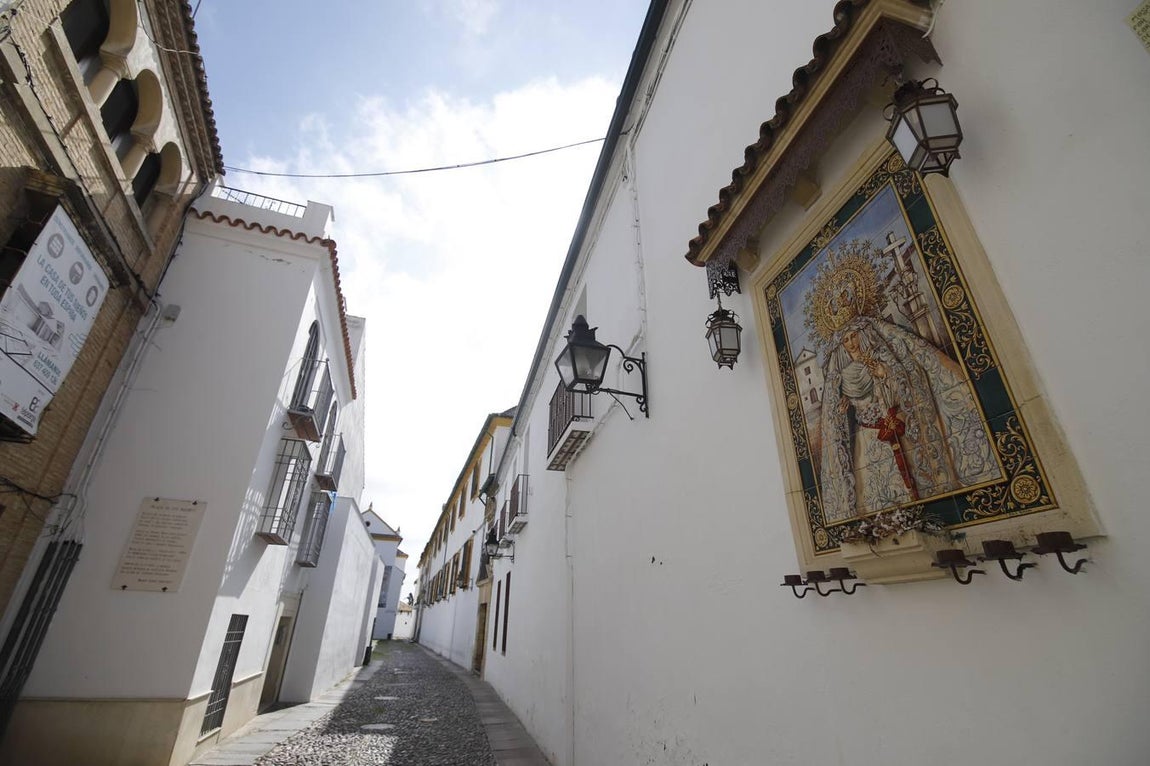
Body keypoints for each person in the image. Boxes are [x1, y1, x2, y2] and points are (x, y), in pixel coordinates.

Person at [817, 314, 1000, 524]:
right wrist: (844, 406)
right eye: (846, 340)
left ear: (862, 334)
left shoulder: (880, 356)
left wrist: (884, 374)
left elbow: (903, 385)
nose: (851, 343)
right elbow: (846, 407)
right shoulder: (845, 374)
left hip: (894, 425)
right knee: (873, 486)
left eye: (853, 336)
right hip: (866, 437)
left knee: (910, 477)